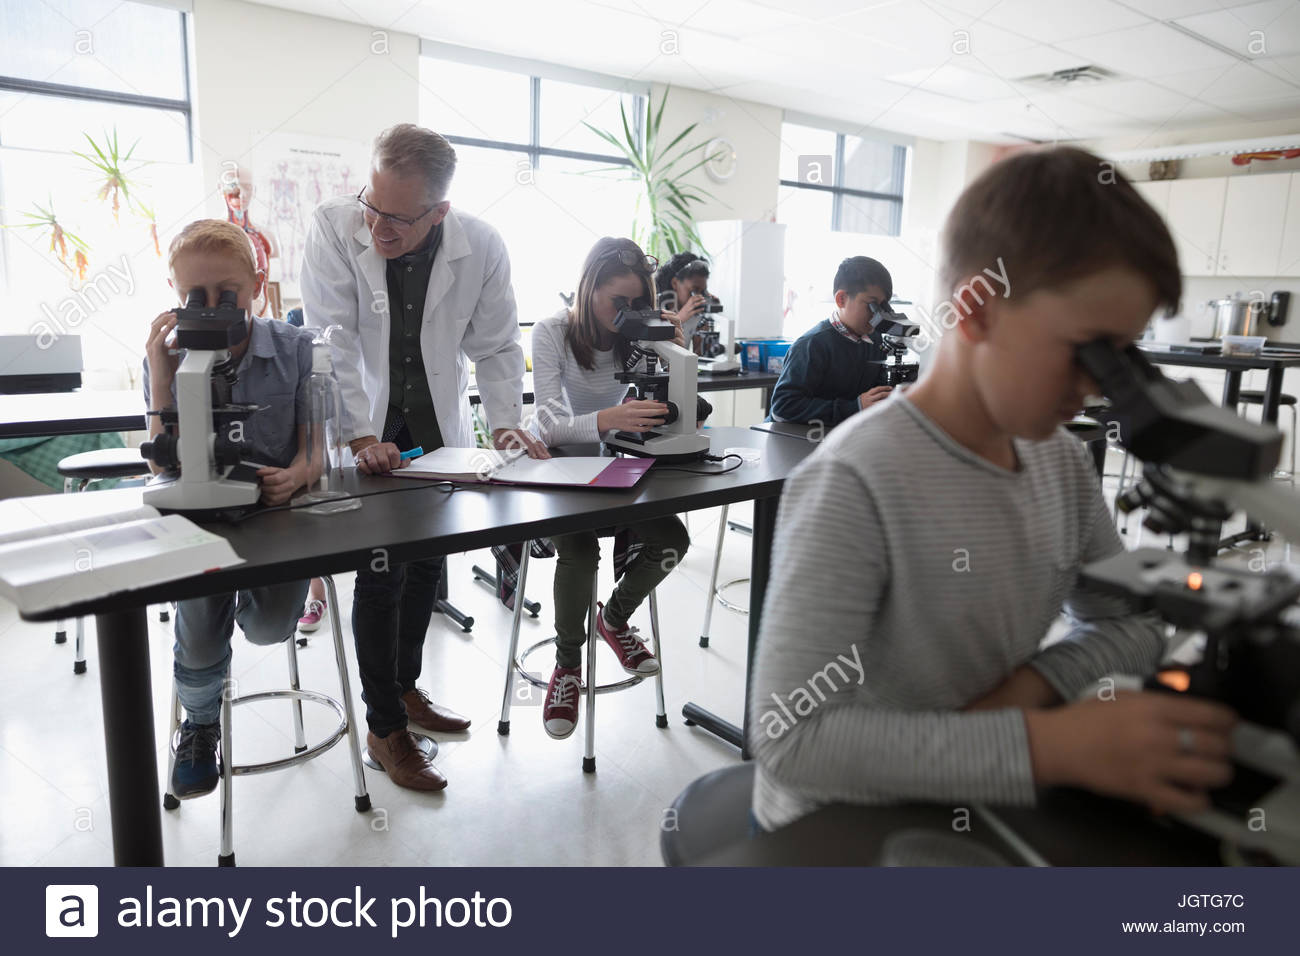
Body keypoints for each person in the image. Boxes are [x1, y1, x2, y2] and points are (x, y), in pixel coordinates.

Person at [748, 146, 1237, 832]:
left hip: (977, 798)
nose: (1099, 384)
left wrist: (1026, 691)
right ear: (977, 307)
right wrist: (1048, 744)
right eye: (1088, 350)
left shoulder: (1061, 463)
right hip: (840, 828)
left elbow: (1135, 620)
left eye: (1120, 356)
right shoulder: (855, 479)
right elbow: (790, 738)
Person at [301, 124, 546, 792]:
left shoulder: (482, 244)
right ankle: (383, 730)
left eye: (398, 219)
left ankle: (405, 691)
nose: (377, 226)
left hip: (437, 430)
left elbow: (497, 347)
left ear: (440, 211)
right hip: (370, 433)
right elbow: (332, 340)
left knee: (426, 567)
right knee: (381, 575)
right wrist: (356, 435)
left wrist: (504, 427)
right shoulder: (333, 227)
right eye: (371, 207)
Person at [142, 219, 314, 798]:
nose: (210, 307)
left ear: (258, 286)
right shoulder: (168, 356)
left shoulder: (295, 349)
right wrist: (163, 376)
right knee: (197, 604)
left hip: (276, 518)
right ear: (174, 294)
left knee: (267, 627)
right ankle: (199, 723)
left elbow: (316, 451)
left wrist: (296, 475)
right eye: (194, 296)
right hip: (201, 519)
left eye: (226, 294)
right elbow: (165, 466)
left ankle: (240, 610)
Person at [528, 237, 702, 739]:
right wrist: (608, 419)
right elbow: (549, 424)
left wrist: (673, 352)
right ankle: (567, 667)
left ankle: (615, 619)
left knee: (672, 541)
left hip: (609, 464)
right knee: (580, 553)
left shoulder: (636, 334)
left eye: (637, 305)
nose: (626, 314)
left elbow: (666, 405)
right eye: (618, 304)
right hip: (555, 470)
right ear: (587, 290)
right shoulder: (551, 332)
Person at [767, 256, 895, 428]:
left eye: (883, 306)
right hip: (792, 439)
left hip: (839, 437)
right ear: (841, 299)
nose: (878, 315)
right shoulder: (812, 345)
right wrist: (855, 407)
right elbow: (782, 408)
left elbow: (874, 396)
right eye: (872, 305)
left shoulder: (875, 340)